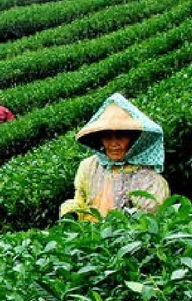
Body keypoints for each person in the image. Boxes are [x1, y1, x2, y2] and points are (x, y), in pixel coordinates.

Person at [60, 93, 170, 221]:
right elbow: (80, 199)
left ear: (134, 139)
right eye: (107, 137)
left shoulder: (149, 180)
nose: (114, 144)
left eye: (121, 136)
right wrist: (71, 212)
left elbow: (148, 221)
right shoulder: (89, 166)